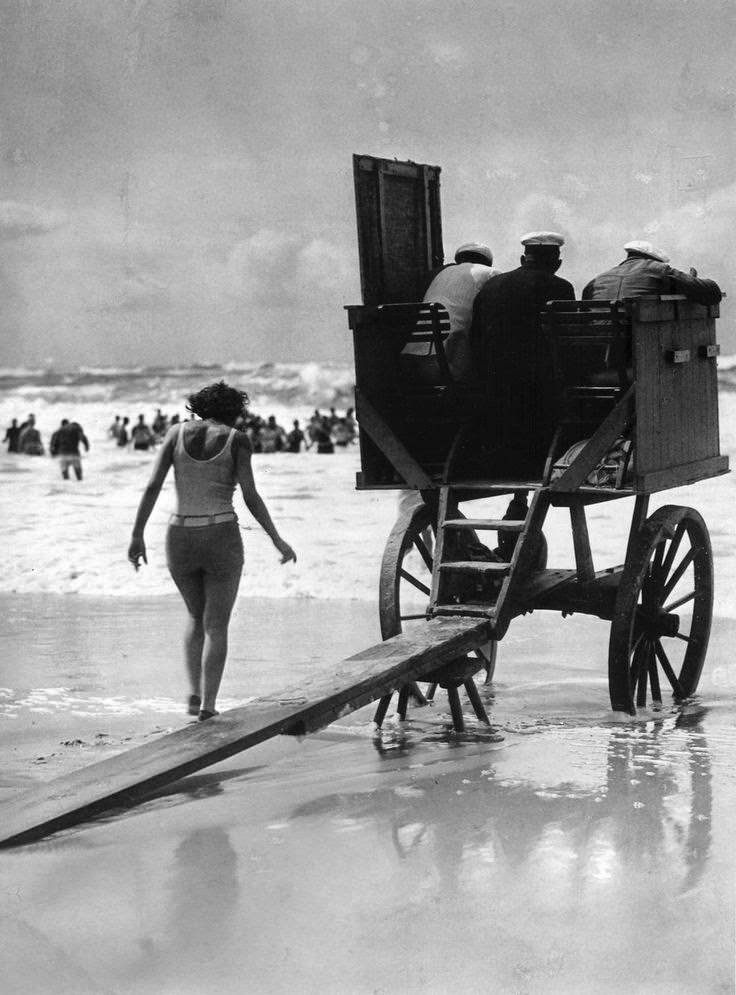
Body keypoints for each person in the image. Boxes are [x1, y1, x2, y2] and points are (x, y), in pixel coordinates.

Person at [127, 381, 296, 721]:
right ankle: (208, 706)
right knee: (216, 625)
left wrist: (137, 536)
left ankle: (193, 692)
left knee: (194, 616)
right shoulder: (237, 440)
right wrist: (277, 539)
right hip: (220, 535)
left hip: (180, 536)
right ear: (235, 411)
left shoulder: (175, 433)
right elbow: (250, 496)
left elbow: (152, 486)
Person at [469, 231, 575, 462]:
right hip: (536, 383)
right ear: (557, 263)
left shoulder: (492, 285)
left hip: (491, 378)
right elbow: (568, 342)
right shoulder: (560, 287)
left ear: (522, 259)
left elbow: (475, 335)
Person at [406, 242, 497, 385]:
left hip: (414, 364)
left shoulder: (438, 275)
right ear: (487, 263)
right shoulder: (490, 273)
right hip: (451, 365)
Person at [582, 240, 723, 305]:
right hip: (636, 342)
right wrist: (688, 281)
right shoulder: (657, 269)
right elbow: (713, 292)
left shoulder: (598, 279)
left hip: (596, 349)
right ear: (655, 260)